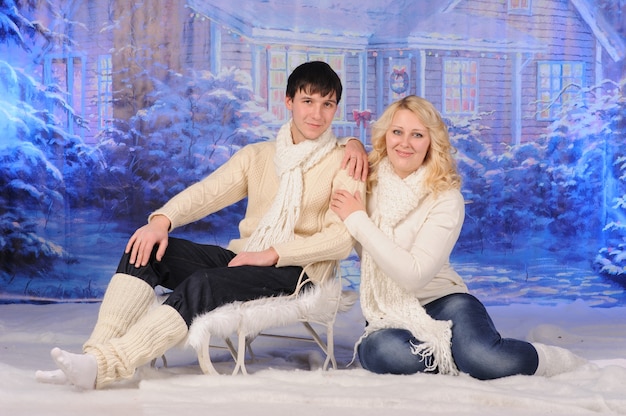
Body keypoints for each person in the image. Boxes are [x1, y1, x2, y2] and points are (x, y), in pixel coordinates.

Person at [36, 61, 368, 389]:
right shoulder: (259, 156)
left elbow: (340, 239)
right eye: (308, 101)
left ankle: (110, 364)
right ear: (289, 101)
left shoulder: (344, 161)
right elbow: (207, 193)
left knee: (205, 282)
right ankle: (93, 356)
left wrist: (272, 253)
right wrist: (162, 220)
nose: (317, 114)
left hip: (299, 272)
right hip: (245, 259)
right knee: (145, 250)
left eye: (328, 104)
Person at [330, 95, 589, 380]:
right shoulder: (364, 178)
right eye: (397, 132)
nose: (404, 143)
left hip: (444, 300)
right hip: (387, 311)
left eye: (417, 134)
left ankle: (550, 358)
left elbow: (413, 276)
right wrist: (350, 142)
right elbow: (327, 152)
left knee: (485, 359)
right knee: (383, 352)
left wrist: (357, 220)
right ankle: (457, 357)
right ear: (384, 136)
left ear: (431, 142)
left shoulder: (445, 196)